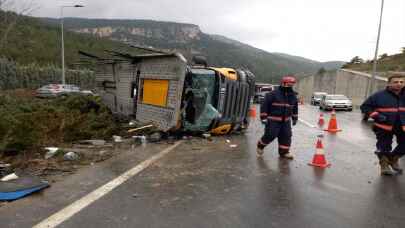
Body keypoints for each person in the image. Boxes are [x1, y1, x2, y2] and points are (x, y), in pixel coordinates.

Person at [360, 74, 405, 175]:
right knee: (384, 147)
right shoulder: (378, 95)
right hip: (383, 126)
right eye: (396, 82)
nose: (399, 84)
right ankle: (384, 166)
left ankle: (393, 159)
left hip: (402, 126)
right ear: (389, 83)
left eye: (401, 82)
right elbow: (365, 107)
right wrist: (377, 116)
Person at [257, 75, 298, 159]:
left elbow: (295, 107)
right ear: (283, 83)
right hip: (273, 120)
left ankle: (284, 152)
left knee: (286, 135)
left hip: (286, 121)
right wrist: (263, 117)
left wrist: (294, 118)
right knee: (271, 134)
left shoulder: (293, 95)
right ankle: (260, 145)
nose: (290, 86)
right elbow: (264, 105)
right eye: (288, 84)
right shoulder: (272, 94)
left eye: (291, 85)